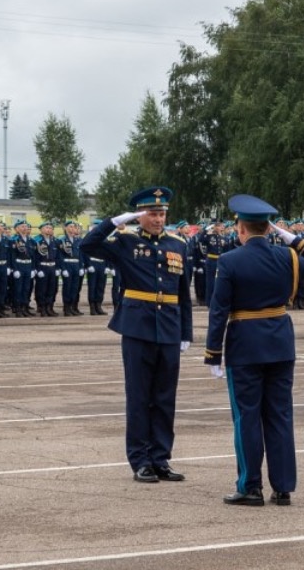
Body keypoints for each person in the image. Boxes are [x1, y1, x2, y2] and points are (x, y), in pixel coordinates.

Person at [204, 195, 304, 507]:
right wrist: (294, 239)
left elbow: (218, 311)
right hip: (280, 344)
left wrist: (212, 353)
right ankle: (283, 487)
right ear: (268, 229)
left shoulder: (230, 261)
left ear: (241, 229)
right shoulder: (287, 256)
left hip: (245, 346)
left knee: (247, 417)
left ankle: (250, 487)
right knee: (280, 416)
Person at [80, 187, 193, 484]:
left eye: (162, 213)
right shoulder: (124, 241)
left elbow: (183, 292)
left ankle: (161, 458)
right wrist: (114, 222)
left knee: (165, 398)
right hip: (137, 327)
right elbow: (87, 245)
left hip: (169, 326)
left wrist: (186, 332)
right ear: (140, 215)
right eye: (152, 214)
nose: (158, 219)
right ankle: (140, 460)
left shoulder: (178, 243)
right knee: (140, 397)